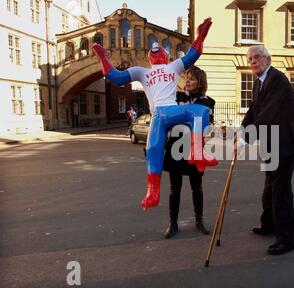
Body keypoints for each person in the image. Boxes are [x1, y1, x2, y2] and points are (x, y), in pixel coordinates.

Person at [92, 17, 218, 210]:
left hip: (159, 115)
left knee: (155, 149)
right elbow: (193, 54)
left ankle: (155, 190)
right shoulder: (167, 67)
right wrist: (200, 36)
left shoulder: (144, 71)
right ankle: (193, 155)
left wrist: (103, 58)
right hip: (167, 112)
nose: (157, 49)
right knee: (194, 115)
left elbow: (115, 77)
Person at [235, 45, 294, 255]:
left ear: (267, 59)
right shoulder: (258, 83)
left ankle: (286, 240)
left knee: (280, 190)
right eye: (250, 59)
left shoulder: (277, 79)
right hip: (271, 139)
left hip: (286, 139)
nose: (253, 62)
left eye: (257, 57)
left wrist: (246, 140)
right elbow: (253, 110)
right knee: (269, 185)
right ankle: (269, 225)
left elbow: (268, 113)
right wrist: (240, 130)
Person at [162, 66, 215, 239]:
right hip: (175, 145)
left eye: (191, 78)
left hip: (195, 149)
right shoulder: (176, 97)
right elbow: (166, 120)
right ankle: (173, 223)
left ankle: (199, 221)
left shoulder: (207, 102)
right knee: (174, 189)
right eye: (186, 78)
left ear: (200, 82)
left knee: (197, 188)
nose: (187, 81)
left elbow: (207, 127)